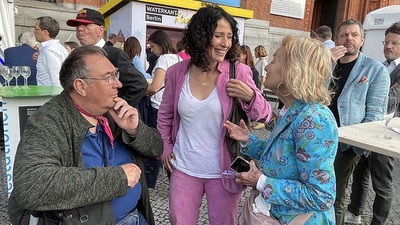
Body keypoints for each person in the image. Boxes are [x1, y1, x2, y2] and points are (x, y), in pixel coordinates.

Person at [7, 45, 163, 225]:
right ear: (81, 86)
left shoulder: (114, 109)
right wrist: (118, 178)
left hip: (136, 217)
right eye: (109, 77)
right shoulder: (49, 120)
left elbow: (156, 148)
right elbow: (31, 186)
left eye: (116, 74)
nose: (118, 84)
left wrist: (135, 130)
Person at [157, 6, 271, 225]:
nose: (225, 43)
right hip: (184, 167)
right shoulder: (176, 72)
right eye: (218, 36)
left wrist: (250, 96)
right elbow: (164, 117)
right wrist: (165, 148)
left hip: (225, 171)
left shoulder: (240, 72)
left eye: (229, 37)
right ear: (200, 36)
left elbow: (264, 116)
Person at [224, 36, 338, 224]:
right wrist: (248, 140)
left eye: (275, 59)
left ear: (294, 70)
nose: (267, 67)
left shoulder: (314, 119)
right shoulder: (293, 109)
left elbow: (321, 196)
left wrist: (260, 181)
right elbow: (284, 157)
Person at [330, 19, 390, 225]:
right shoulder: (326, 64)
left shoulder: (375, 70)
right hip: (319, 137)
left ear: (362, 40)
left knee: (334, 196)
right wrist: (325, 63)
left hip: (345, 144)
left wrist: (356, 148)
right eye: (344, 35)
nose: (349, 39)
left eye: (354, 35)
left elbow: (374, 114)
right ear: (336, 39)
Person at [344, 21, 400, 225]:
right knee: (361, 175)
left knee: (382, 184)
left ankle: (377, 222)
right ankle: (355, 213)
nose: (388, 46)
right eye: (387, 42)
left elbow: (391, 97)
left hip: (387, 135)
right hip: (368, 130)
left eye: (395, 43)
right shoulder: (381, 65)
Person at [67, 8, 148, 108]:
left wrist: (116, 109)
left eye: (86, 25)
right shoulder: (79, 56)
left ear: (100, 30)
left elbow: (139, 84)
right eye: (78, 25)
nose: (79, 29)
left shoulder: (114, 55)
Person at [142, 30, 182, 188]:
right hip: (174, 108)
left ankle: (149, 181)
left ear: (160, 44)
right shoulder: (178, 58)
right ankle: (177, 181)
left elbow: (155, 86)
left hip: (159, 108)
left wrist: (141, 92)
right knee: (171, 146)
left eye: (152, 46)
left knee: (155, 146)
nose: (151, 50)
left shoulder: (163, 59)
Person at [34, 16, 68, 86]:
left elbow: (57, 79)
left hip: (48, 95)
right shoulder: (57, 47)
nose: (34, 31)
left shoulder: (50, 50)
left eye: (36, 29)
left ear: (45, 32)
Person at [239, 44, 264, 130]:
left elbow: (255, 92)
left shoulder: (253, 71)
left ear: (245, 56)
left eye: (238, 55)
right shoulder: (236, 69)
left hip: (245, 105)